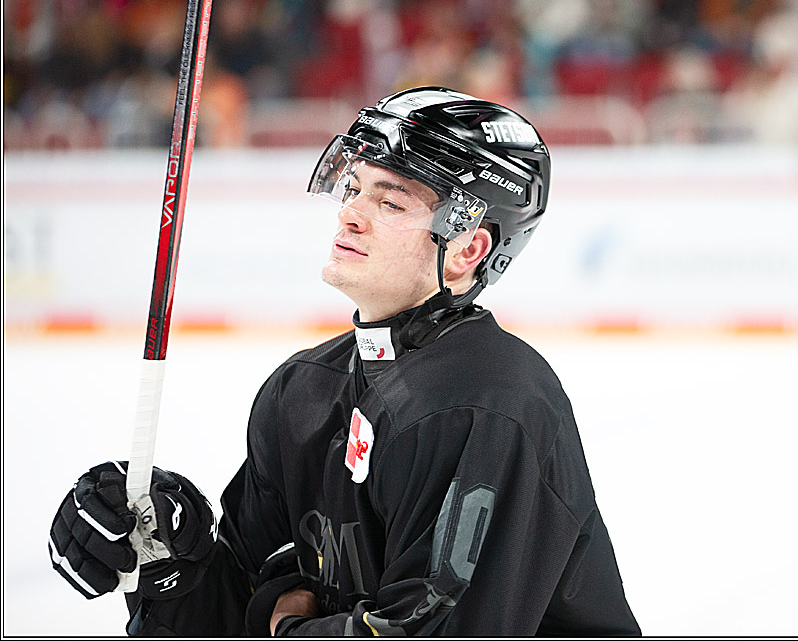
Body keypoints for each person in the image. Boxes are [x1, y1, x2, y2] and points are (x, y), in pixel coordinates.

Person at [47, 86, 642, 636]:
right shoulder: (303, 391)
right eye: (354, 187)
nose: (350, 213)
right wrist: (169, 560)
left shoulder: (487, 405)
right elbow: (237, 610)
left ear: (467, 249)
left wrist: (285, 627)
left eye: (392, 201)